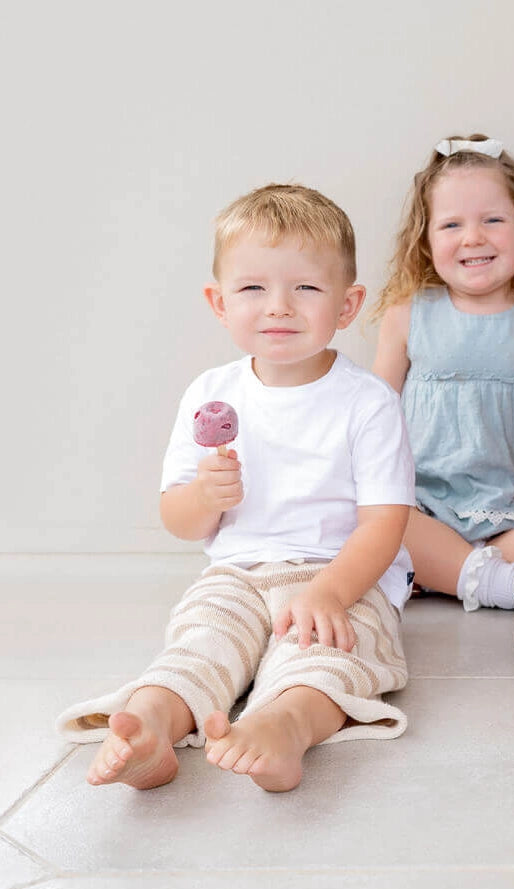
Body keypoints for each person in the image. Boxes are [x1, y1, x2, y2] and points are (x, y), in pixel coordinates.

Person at [57, 184, 415, 792]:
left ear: (348, 305)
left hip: (338, 573)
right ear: (219, 302)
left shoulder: (367, 402)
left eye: (305, 288)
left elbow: (385, 521)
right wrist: (206, 497)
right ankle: (149, 725)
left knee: (322, 661)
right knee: (202, 642)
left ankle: (283, 726)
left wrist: (329, 593)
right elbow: (180, 518)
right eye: (252, 288)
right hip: (236, 572)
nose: (278, 306)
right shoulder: (209, 395)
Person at [371, 135, 514, 611]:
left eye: (492, 220)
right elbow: (373, 413)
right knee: (379, 523)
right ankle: (484, 575)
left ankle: (446, 570)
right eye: (451, 224)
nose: (473, 238)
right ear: (426, 238)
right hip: (425, 504)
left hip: (513, 508)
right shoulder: (408, 313)